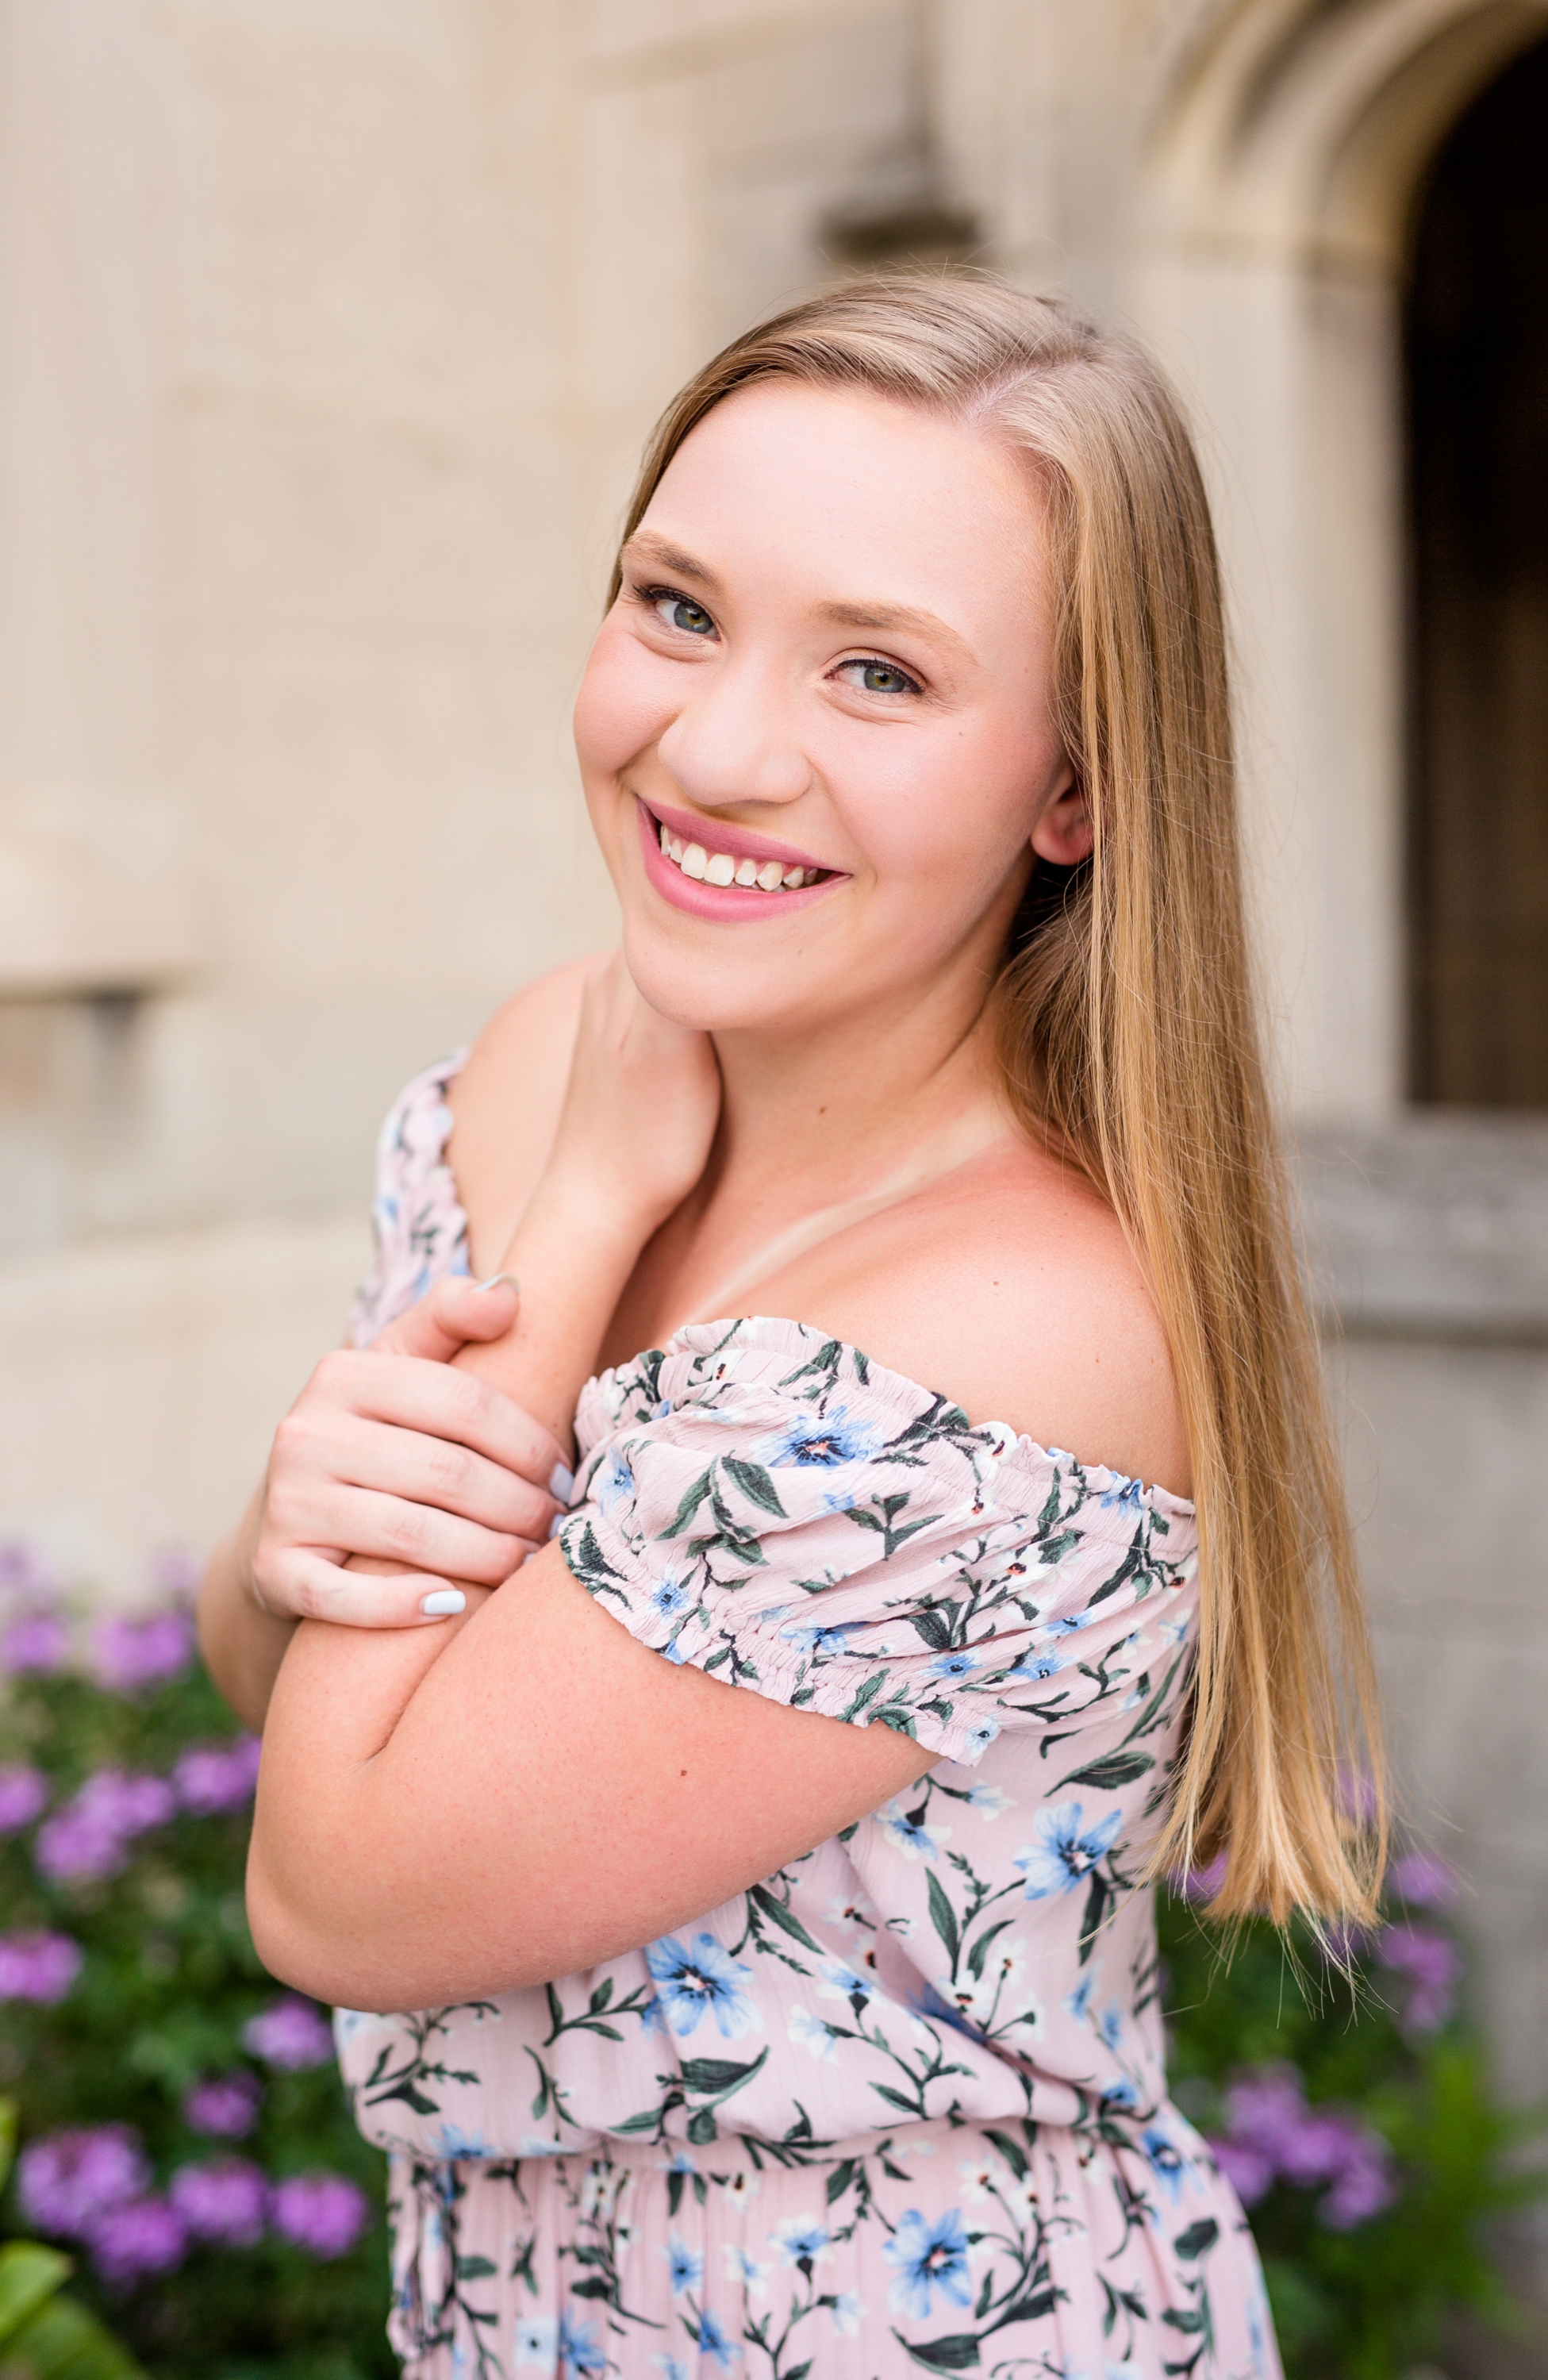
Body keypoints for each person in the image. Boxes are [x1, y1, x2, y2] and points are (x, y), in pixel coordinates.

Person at [199, 274, 1383, 2379]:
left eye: (878, 671)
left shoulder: (1008, 1331)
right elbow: (294, 1663)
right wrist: (288, 1531)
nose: (722, 747)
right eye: (675, 607)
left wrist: (575, 1220)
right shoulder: (549, 1047)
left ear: (1075, 790)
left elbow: (344, 1893)